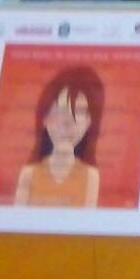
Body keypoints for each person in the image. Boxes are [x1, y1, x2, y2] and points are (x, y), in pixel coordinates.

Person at [15, 66, 103, 208]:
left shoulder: (91, 176)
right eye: (59, 110)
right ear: (44, 119)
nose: (68, 122)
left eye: (79, 112)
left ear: (89, 122)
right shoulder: (28, 174)